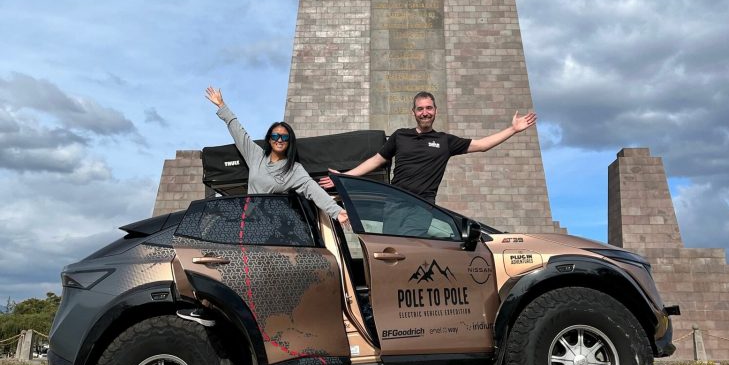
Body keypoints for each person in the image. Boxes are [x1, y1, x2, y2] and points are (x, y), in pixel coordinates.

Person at [320, 91, 537, 204]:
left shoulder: (445, 141)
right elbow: (376, 160)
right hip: (394, 202)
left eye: (429, 108)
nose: (425, 112)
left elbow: (482, 145)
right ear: (413, 112)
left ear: (435, 111)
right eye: (420, 109)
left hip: (422, 205)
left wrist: (513, 129)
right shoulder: (400, 135)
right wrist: (344, 176)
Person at [205, 86, 348, 225]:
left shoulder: (294, 170)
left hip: (273, 226)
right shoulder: (256, 156)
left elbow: (313, 189)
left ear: (289, 141)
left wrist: (337, 212)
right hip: (249, 223)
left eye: (284, 137)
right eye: (275, 136)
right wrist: (222, 105)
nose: (279, 140)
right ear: (269, 139)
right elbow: (239, 134)